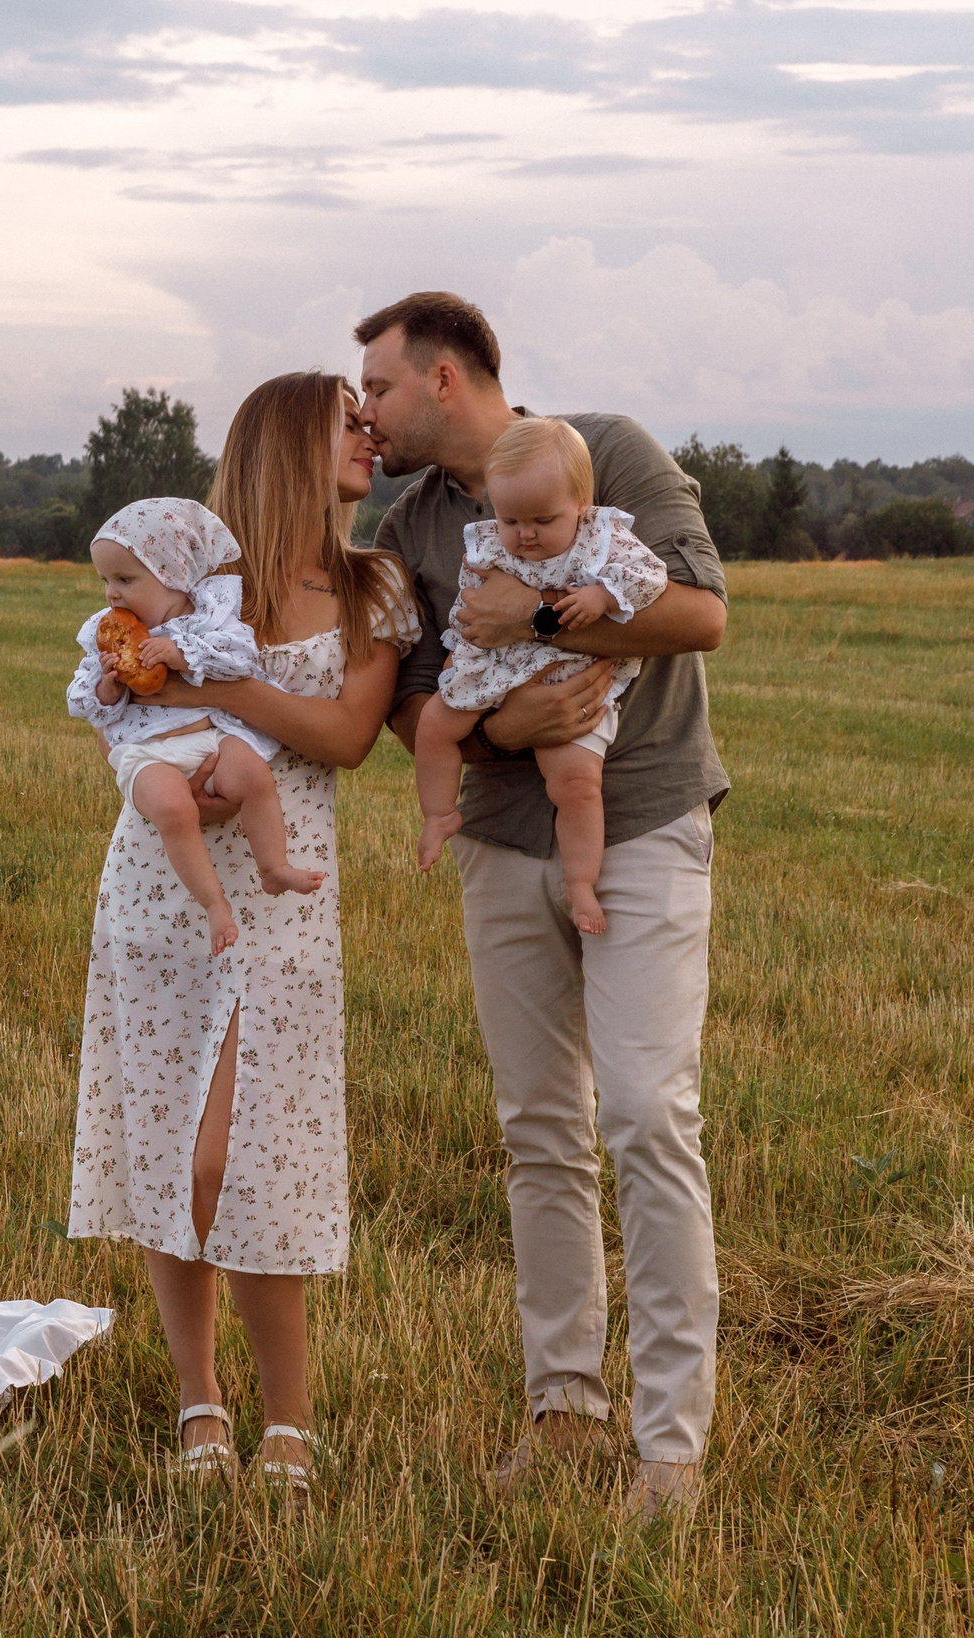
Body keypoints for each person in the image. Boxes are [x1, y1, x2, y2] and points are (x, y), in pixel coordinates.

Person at [356, 290, 729, 1520]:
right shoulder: (409, 526)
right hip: (500, 840)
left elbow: (700, 613)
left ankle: (668, 1449)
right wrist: (504, 726)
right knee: (537, 1131)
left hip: (645, 822)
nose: (368, 412)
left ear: (445, 377)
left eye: (380, 387)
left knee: (646, 1115)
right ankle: (562, 1413)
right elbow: (413, 701)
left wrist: (542, 615)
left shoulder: (605, 451)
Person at [69, 371, 419, 1490]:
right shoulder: (185, 585)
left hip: (282, 896)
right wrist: (167, 732)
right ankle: (199, 1399)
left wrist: (217, 697)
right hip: (162, 889)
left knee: (249, 1155)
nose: (368, 436)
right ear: (284, 446)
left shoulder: (373, 586)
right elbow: (115, 704)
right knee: (177, 1154)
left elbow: (346, 736)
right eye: (345, 424)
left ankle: (289, 1418)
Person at [412, 417, 669, 933]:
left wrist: (602, 595)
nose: (524, 534)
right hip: (492, 664)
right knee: (434, 726)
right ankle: (439, 814)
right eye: (510, 519)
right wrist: (457, 650)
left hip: (564, 675)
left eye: (542, 519)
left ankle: (581, 884)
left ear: (581, 502)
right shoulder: (489, 544)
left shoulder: (602, 538)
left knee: (575, 784)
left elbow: (650, 576)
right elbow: (470, 605)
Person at [67, 498, 326, 955]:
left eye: (125, 579)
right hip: (146, 753)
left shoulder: (209, 620)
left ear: (174, 574)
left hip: (211, 738)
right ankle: (214, 904)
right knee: (174, 810)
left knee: (253, 775)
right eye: (105, 580)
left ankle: (273, 866)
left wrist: (182, 655)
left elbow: (240, 660)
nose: (111, 594)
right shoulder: (106, 638)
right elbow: (82, 702)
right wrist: (107, 686)